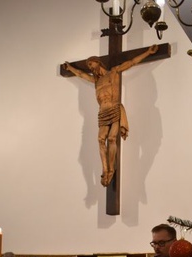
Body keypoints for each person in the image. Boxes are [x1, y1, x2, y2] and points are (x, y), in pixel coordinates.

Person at [64, 44, 158, 187]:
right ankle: (105, 168)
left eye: (91, 63)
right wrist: (70, 68)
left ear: (98, 62)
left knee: (112, 138)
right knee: (101, 139)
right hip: (102, 112)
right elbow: (81, 75)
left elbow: (131, 63)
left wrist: (147, 53)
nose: (90, 67)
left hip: (114, 108)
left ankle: (111, 169)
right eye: (88, 65)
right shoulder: (96, 81)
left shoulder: (114, 72)